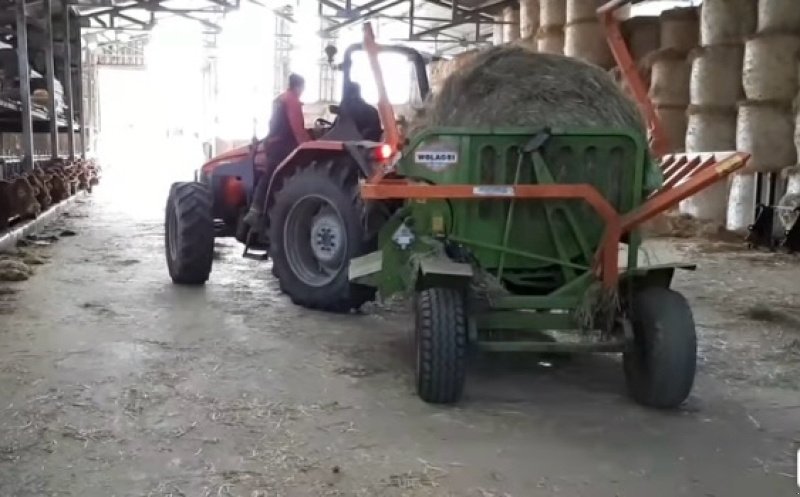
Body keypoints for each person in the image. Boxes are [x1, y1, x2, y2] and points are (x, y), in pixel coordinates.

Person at [243, 73, 310, 232]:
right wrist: (308, 145)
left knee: (270, 176)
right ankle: (256, 211)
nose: (303, 91)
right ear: (298, 87)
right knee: (272, 176)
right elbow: (298, 129)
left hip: (274, 143)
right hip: (283, 146)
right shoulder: (292, 100)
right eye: (303, 88)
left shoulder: (280, 99)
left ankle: (257, 210)